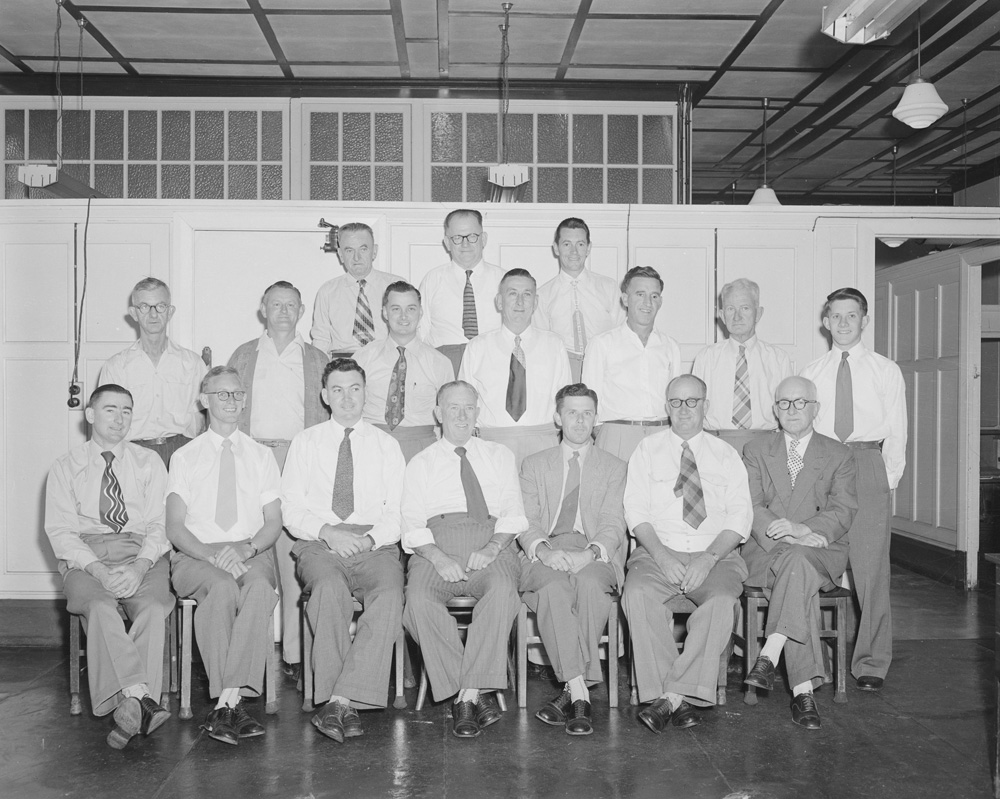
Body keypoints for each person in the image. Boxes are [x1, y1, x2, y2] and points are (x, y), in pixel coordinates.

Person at [281, 358, 406, 743]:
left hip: (374, 544)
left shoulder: (387, 445)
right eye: (338, 389)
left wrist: (368, 540)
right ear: (324, 395)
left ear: (366, 393)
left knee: (390, 595)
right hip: (320, 542)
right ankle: (346, 700)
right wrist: (329, 533)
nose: (347, 398)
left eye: (355, 389)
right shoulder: (306, 442)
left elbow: (397, 512)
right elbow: (291, 509)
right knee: (328, 590)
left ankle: (339, 700)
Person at [44, 384, 173, 749]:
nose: (119, 419)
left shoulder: (149, 462)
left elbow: (159, 525)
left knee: (152, 607)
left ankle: (129, 707)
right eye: (110, 409)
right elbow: (61, 532)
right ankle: (140, 696)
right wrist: (98, 571)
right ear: (90, 415)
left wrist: (140, 566)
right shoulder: (65, 467)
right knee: (100, 606)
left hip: (140, 550)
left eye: (126, 411)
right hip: (86, 555)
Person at [622, 375, 752, 733]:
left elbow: (740, 517)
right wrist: (662, 556)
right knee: (637, 594)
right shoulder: (647, 450)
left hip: (716, 556)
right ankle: (677, 696)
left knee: (722, 602)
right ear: (666, 406)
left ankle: (669, 697)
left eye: (692, 401)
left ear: (705, 406)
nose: (683, 409)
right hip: (657, 552)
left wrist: (708, 558)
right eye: (676, 402)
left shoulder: (726, 454)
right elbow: (636, 511)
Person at [401, 381, 526, 739]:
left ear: (477, 413)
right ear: (438, 413)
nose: (461, 415)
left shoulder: (500, 455)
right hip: (437, 543)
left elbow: (514, 514)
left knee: (502, 592)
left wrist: (493, 546)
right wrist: (437, 557)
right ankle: (471, 694)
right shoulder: (421, 462)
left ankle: (465, 696)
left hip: (489, 540)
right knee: (418, 602)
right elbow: (411, 523)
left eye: (468, 408)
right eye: (453, 408)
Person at [165, 366, 282, 745]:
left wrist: (246, 549)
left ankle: (226, 705)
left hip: (248, 550)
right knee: (222, 588)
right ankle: (234, 705)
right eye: (222, 394)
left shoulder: (262, 456)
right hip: (197, 554)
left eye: (237, 394)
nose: (231, 401)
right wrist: (212, 556)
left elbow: (273, 522)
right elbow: (175, 528)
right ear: (204, 400)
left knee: (261, 589)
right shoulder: (185, 456)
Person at [800, 287, 907, 692]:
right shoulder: (812, 372)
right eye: (836, 316)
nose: (843, 323)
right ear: (825, 321)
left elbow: (897, 431)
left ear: (864, 320)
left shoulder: (885, 370)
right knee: (813, 559)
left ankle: (871, 662)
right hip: (824, 465)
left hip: (867, 463)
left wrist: (885, 481)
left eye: (851, 315)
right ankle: (813, 659)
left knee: (870, 568)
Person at [227, 280, 329, 681]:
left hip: (297, 458)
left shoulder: (316, 358)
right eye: (276, 304)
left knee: (292, 557)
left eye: (291, 305)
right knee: (250, 551)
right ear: (263, 309)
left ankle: (294, 656)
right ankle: (247, 657)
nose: (283, 311)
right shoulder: (244, 355)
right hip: (252, 456)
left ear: (301, 311)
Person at [742, 376, 857, 729]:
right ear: (775, 409)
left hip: (820, 549)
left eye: (800, 402)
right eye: (784, 403)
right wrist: (788, 535)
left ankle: (770, 651)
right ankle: (803, 691)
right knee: (796, 570)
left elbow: (844, 509)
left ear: (815, 408)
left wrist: (805, 529)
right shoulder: (755, 449)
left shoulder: (839, 454)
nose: (792, 410)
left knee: (798, 565)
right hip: (767, 548)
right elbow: (751, 505)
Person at [518, 383, 627, 736]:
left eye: (587, 413)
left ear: (596, 418)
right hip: (544, 549)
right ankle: (580, 691)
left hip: (593, 549)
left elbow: (613, 523)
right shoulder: (534, 464)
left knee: (591, 585)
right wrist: (545, 551)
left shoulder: (614, 467)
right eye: (572, 413)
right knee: (553, 589)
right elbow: (527, 520)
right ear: (557, 417)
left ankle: (571, 690)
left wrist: (590, 553)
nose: (580, 421)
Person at [459, 268, 571, 468]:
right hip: (491, 443)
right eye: (512, 294)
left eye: (527, 294)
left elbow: (566, 403)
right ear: (499, 302)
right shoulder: (477, 347)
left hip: (543, 442)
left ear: (535, 302)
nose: (520, 302)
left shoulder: (555, 345)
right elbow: (464, 402)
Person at [99, 277, 207, 467]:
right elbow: (107, 424)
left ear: (170, 311)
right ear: (134, 313)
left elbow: (203, 418)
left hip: (182, 453)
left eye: (160, 306)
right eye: (144, 307)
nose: (153, 314)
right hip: (133, 455)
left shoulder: (192, 363)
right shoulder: (116, 367)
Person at [582, 266, 682, 462]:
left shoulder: (670, 346)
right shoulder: (602, 344)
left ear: (660, 301)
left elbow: (676, 400)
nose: (647, 303)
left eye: (654, 296)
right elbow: (589, 399)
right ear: (625, 299)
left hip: (661, 435)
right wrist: (605, 434)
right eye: (640, 294)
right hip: (617, 435)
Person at [354, 281, 454, 462]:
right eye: (395, 309)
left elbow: (449, 417)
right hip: (371, 445)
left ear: (420, 312)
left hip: (422, 448)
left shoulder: (440, 363)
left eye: (411, 309)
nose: (403, 316)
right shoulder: (363, 358)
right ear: (385, 313)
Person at [691, 278, 792, 455]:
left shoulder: (778, 359)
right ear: (722, 315)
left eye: (745, 308)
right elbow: (693, 411)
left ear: (758, 313)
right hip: (715, 446)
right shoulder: (706, 358)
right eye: (731, 309)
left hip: (766, 446)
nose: (737, 317)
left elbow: (790, 413)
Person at [534, 218, 624, 382]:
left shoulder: (609, 288)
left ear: (588, 248)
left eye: (580, 244)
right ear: (556, 248)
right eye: (567, 244)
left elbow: (620, 334)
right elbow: (543, 345)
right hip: (562, 371)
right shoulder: (543, 295)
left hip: (605, 368)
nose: (574, 251)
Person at [418, 209, 503, 376]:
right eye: (457, 238)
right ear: (447, 242)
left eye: (472, 236)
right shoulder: (432, 280)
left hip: (493, 365)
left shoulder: (504, 280)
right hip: (445, 366)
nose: (465, 244)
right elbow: (420, 332)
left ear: (483, 239)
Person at [310, 222, 403, 358]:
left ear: (374, 251)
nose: (356, 257)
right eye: (349, 250)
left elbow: (409, 332)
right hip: (342, 363)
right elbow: (321, 340)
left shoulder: (396, 287)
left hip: (386, 360)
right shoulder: (327, 292)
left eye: (363, 249)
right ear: (341, 255)